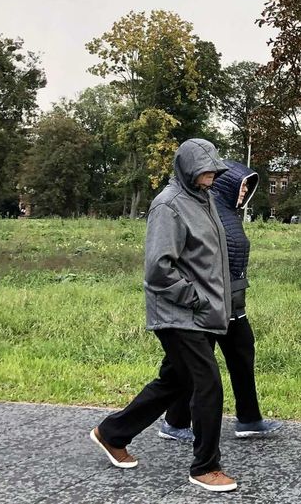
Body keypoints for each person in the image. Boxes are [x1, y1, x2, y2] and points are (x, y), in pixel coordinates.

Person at [89, 139, 238, 493]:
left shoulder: (204, 200)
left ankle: (111, 433)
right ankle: (205, 467)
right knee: (208, 385)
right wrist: (197, 298)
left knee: (176, 382)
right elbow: (158, 269)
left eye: (214, 170)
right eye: (204, 170)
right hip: (178, 314)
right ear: (185, 167)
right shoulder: (168, 206)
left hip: (201, 313)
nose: (211, 176)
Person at [158, 159, 283, 442]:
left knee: (241, 356)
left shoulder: (227, 214)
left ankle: (249, 419)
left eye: (248, 188)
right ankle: (173, 422)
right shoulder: (207, 211)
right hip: (209, 304)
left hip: (233, 304)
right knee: (188, 369)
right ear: (227, 184)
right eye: (241, 186)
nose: (244, 192)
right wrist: (196, 298)